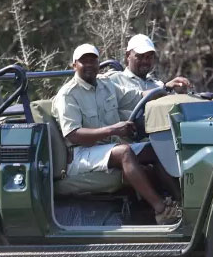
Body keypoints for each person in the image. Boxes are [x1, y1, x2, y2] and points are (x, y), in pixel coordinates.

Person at [52, 43, 181, 225]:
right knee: (124, 153)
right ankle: (161, 211)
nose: (89, 65)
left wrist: (167, 88)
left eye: (93, 60)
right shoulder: (68, 95)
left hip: (106, 148)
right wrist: (114, 129)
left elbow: (137, 96)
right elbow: (74, 135)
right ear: (74, 65)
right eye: (83, 61)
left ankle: (181, 205)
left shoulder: (106, 84)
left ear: (99, 63)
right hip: (80, 154)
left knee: (155, 148)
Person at [103, 33, 192, 119]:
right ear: (128, 55)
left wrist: (180, 92)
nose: (145, 61)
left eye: (149, 57)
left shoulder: (158, 85)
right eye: (140, 56)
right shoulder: (114, 80)